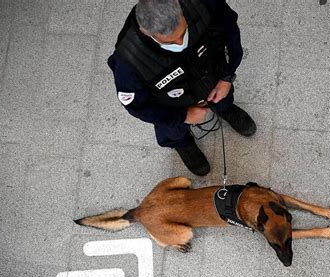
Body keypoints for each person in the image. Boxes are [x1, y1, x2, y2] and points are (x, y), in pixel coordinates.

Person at [107, 0, 256, 176]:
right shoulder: (128, 62)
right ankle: (182, 144)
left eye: (183, 32)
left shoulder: (202, 3)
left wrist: (227, 76)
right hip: (171, 106)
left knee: (224, 97)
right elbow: (137, 107)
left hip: (213, 77)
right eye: (170, 41)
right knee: (172, 131)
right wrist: (183, 116)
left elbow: (230, 29)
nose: (180, 43)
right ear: (145, 32)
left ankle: (225, 109)